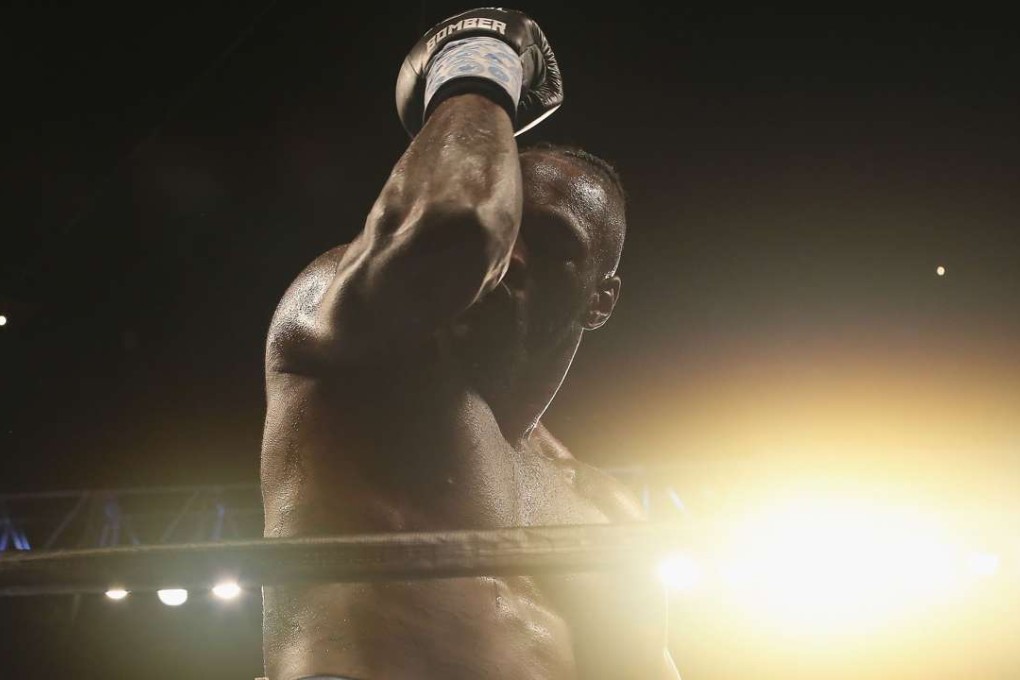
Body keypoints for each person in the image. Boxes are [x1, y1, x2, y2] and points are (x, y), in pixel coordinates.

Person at [259, 8, 679, 679]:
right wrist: (478, 66)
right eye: (508, 227)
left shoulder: (602, 508)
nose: (508, 257)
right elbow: (453, 226)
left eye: (549, 243)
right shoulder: (353, 350)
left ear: (601, 300)